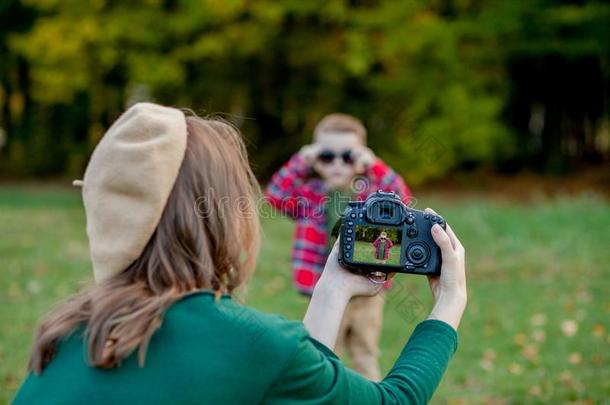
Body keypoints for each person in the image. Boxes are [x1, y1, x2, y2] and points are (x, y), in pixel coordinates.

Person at [13, 103, 467, 404]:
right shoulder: (250, 343)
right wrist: (448, 303)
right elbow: (395, 400)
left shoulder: (64, 335)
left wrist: (332, 288)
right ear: (224, 220)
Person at [265, 113, 411, 380]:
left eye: (348, 156)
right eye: (327, 156)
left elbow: (402, 197)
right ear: (316, 159)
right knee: (323, 353)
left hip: (368, 290)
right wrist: (300, 161)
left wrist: (375, 166)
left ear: (360, 158)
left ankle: (369, 397)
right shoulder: (309, 195)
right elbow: (275, 195)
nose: (337, 164)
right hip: (324, 289)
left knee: (365, 353)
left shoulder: (371, 193)